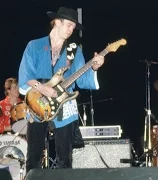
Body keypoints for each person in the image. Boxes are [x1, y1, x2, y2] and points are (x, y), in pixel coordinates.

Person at [18, 7, 105, 173]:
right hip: (37, 102)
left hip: (65, 104)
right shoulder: (34, 46)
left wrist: (93, 68)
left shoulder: (74, 50)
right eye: (69, 25)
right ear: (57, 22)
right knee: (34, 156)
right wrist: (42, 88)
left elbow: (82, 80)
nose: (71, 30)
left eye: (73, 27)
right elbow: (25, 74)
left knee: (65, 158)